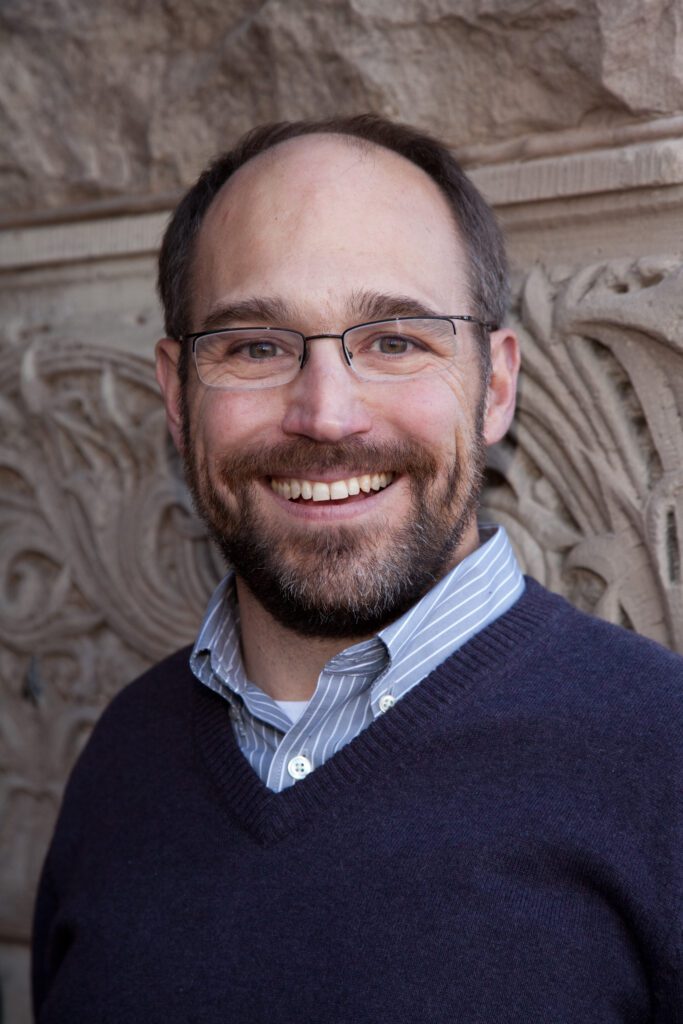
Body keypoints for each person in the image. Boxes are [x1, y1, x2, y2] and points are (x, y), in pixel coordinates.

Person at [32, 115, 682, 1023]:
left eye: (394, 341)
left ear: (494, 386)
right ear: (176, 398)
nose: (327, 415)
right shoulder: (124, 757)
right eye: (255, 346)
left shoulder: (661, 758)